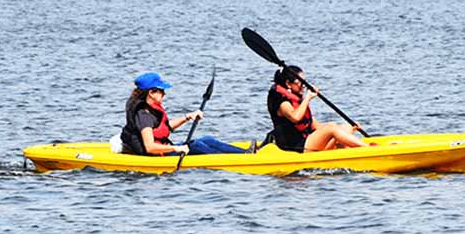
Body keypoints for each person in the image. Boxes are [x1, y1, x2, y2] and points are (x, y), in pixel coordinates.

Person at [120, 72, 255, 156]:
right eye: (161, 91)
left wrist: (187, 117)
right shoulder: (144, 115)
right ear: (151, 93)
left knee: (207, 139)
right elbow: (150, 147)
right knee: (196, 145)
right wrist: (177, 148)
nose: (164, 93)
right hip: (158, 154)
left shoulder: (151, 108)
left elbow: (165, 128)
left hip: (164, 149)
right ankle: (235, 161)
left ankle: (244, 154)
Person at [266, 65, 369, 152]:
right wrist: (308, 97)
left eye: (305, 82)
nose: (304, 86)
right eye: (301, 82)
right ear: (288, 83)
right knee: (332, 128)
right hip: (295, 146)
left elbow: (316, 126)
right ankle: (367, 150)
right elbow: (295, 117)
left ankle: (351, 151)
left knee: (344, 127)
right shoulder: (282, 102)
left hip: (308, 142)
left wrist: (351, 128)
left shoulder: (297, 101)